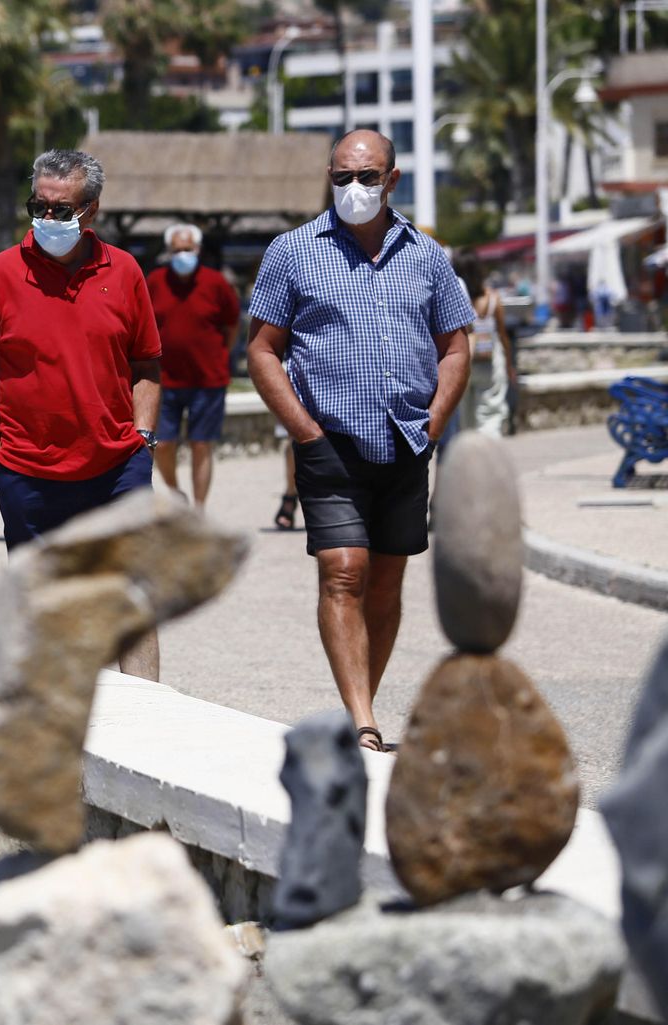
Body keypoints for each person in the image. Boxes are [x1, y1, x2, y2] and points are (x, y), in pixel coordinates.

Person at [246, 129, 474, 752]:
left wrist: (434, 424)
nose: (354, 188)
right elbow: (263, 351)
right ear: (329, 175)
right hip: (329, 445)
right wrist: (305, 431)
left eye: (367, 177)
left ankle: (362, 703)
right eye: (343, 176)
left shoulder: (427, 256)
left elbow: (457, 346)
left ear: (391, 180)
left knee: (386, 581)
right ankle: (362, 721)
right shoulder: (292, 252)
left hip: (405, 441)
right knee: (343, 571)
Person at [0, 149, 163, 678]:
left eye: (61, 209)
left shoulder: (126, 271)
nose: (47, 219)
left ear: (91, 209)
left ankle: (148, 729)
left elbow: (147, 363)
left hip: (117, 466)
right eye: (39, 206)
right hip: (28, 472)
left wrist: (143, 437)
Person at [148, 222, 240, 511]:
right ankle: (176, 493)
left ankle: (199, 509)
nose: (182, 255)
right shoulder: (155, 281)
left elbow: (232, 324)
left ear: (198, 250)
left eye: (187, 249)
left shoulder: (216, 283)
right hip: (163, 379)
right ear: (168, 251)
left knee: (202, 445)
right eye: (177, 250)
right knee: (162, 444)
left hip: (208, 378)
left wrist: (220, 354)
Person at [453, 252, 516, 436]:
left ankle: (468, 457)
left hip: (464, 361)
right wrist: (509, 364)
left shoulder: (455, 298)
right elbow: (503, 335)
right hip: (489, 364)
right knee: (490, 414)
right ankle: (488, 457)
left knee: (465, 419)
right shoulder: (493, 299)